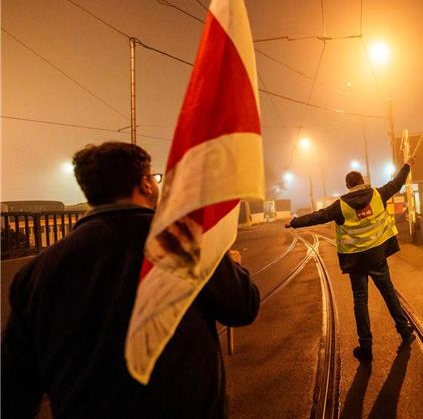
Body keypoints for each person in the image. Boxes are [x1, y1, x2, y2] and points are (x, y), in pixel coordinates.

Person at [1, 142, 260, 419]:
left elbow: (15, 385)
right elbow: (242, 307)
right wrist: (232, 266)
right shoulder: (184, 240)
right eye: (153, 177)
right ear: (146, 184)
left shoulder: (37, 271)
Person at [285, 157, 416, 361]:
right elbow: (397, 183)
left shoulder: (341, 206)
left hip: (356, 262)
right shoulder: (377, 195)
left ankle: (366, 347)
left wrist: (294, 222)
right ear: (362, 180)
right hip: (377, 257)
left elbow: (318, 216)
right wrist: (407, 165)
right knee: (389, 293)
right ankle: (404, 330)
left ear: (348, 185)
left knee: (360, 302)